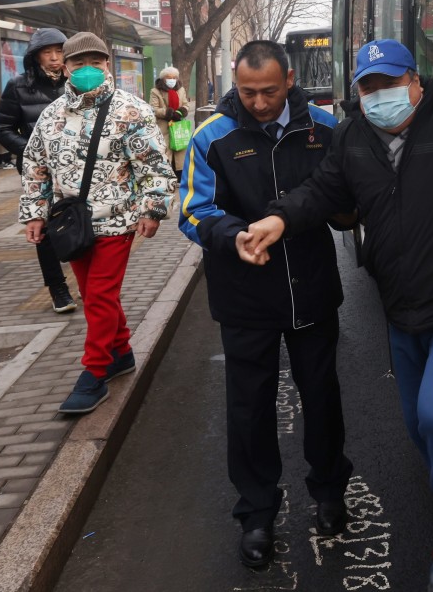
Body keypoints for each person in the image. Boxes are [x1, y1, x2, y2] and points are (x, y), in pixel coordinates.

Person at [238, 39, 433, 592]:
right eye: (368, 87)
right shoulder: (354, 137)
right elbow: (321, 191)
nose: (378, 95)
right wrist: (278, 219)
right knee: (419, 426)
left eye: (389, 83)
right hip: (402, 303)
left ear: (415, 81)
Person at [178, 40, 353, 571]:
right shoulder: (213, 136)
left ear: (290, 80)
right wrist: (233, 236)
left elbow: (341, 194)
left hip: (311, 287)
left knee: (321, 396)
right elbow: (193, 210)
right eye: (247, 92)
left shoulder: (324, 128)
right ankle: (256, 513)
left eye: (269, 92)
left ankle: (329, 491)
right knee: (249, 406)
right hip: (244, 293)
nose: (257, 103)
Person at [19, 32, 176, 414]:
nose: (87, 69)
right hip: (72, 225)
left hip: (117, 221)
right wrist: (35, 213)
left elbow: (153, 165)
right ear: (65, 68)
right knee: (93, 295)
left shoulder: (131, 110)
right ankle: (120, 352)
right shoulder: (52, 115)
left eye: (95, 62)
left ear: (107, 65)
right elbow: (36, 166)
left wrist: (152, 209)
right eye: (78, 63)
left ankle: (94, 372)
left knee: (101, 295)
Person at [0, 27, 77, 314]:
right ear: (35, 56)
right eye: (47, 52)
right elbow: (2, 127)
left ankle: (88, 282)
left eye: (59, 51)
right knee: (44, 227)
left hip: (76, 168)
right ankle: (58, 288)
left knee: (81, 221)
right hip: (39, 172)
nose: (54, 58)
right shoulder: (19, 86)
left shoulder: (76, 83)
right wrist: (32, 150)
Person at [148, 65, 191, 180]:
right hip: (163, 127)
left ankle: (180, 177)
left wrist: (181, 112)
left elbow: (186, 104)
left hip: (178, 126)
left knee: (180, 151)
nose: (172, 80)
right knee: (166, 152)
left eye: (174, 77)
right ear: (163, 78)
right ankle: (167, 177)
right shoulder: (155, 91)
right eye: (169, 77)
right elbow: (153, 108)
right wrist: (168, 112)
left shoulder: (181, 90)